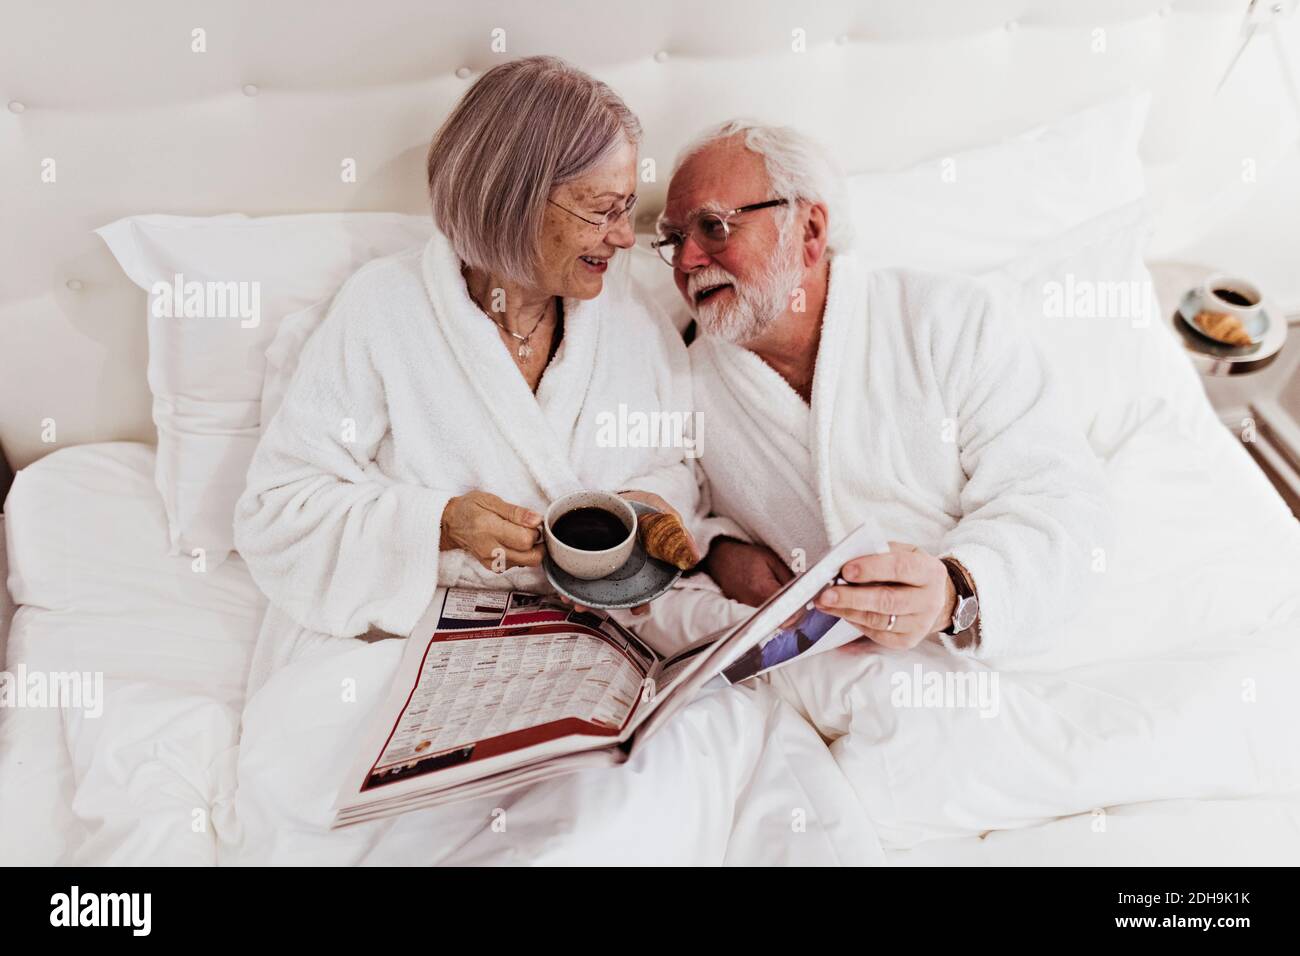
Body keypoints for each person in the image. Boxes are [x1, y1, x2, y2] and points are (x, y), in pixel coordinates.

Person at [658, 120, 1109, 660]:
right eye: (674, 238)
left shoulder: (949, 321)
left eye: (713, 227)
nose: (686, 262)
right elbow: (672, 507)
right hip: (832, 681)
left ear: (809, 230)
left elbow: (1060, 502)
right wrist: (719, 551)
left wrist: (954, 592)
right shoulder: (681, 378)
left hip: (996, 651)